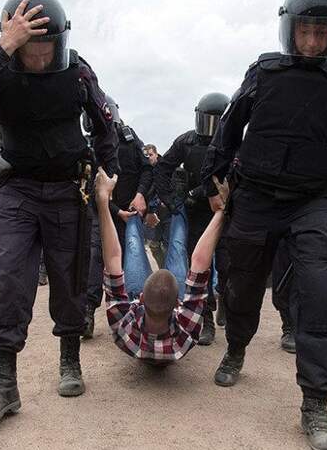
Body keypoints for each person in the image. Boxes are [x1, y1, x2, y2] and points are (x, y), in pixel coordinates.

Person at [201, 0, 327, 450]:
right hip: (255, 199)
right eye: (307, 32)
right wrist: (213, 181)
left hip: (311, 201)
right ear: (291, 30)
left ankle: (316, 402)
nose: (314, 41)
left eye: (323, 33)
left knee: (320, 293)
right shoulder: (263, 72)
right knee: (240, 286)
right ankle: (236, 347)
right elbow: (229, 128)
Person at [0, 0, 119, 422]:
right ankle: (4, 385)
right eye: (31, 45)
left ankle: (70, 359)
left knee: (70, 278)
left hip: (68, 189)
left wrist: (109, 171)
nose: (41, 55)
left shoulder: (78, 72)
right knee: (8, 274)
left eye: (48, 46)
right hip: (17, 189)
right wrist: (3, 47)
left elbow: (104, 125)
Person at [98, 167, 225, 363]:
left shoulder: (185, 333)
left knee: (161, 245)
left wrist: (102, 200)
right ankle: (177, 200)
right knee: (175, 246)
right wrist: (223, 210)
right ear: (177, 304)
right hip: (149, 317)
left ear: (140, 298)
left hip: (149, 312)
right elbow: (113, 259)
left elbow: (199, 263)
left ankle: (136, 205)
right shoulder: (125, 331)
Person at [153, 92, 230, 345]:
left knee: (229, 265)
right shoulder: (185, 142)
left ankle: (226, 301)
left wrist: (199, 191)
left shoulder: (234, 141)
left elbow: (240, 173)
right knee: (201, 266)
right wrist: (170, 199)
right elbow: (163, 167)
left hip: (227, 210)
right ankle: (206, 316)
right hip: (197, 213)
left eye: (215, 121)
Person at [82, 96, 153, 338]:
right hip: (104, 214)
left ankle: (131, 315)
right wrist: (115, 212)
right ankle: (88, 313)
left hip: (130, 214)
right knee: (96, 258)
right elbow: (92, 188)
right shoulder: (89, 147)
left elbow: (147, 169)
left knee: (130, 262)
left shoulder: (130, 139)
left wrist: (141, 194)